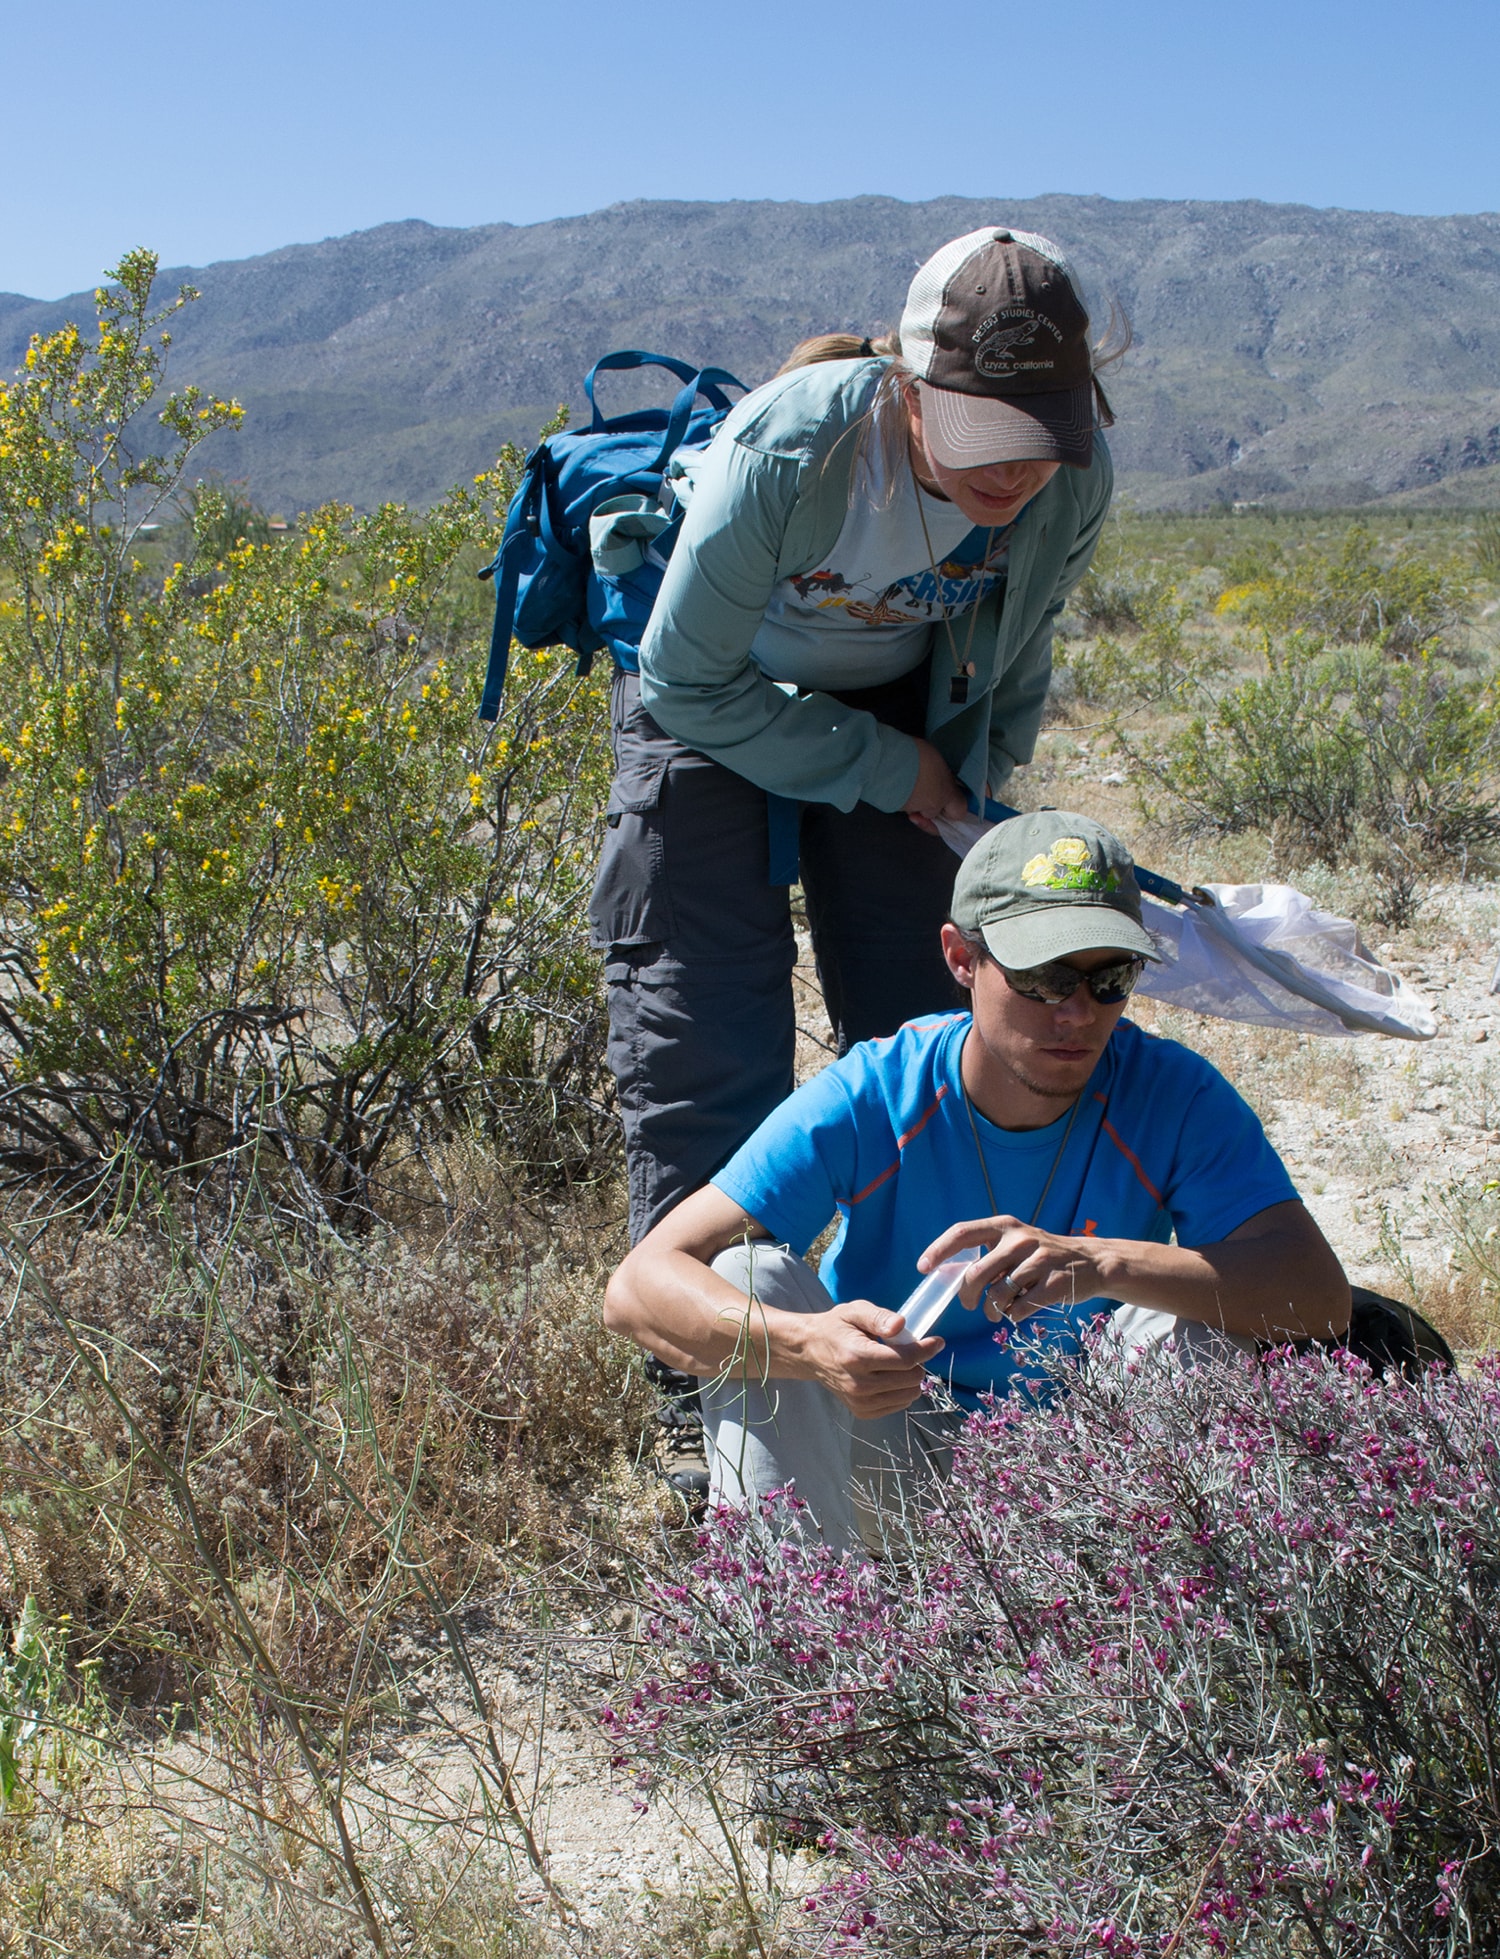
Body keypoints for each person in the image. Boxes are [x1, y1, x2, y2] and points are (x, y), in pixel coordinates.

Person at [591, 226, 1119, 1492]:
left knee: (938, 1009)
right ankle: (706, 1388)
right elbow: (686, 676)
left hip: (904, 715)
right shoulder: (800, 445)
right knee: (702, 1031)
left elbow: (1018, 656)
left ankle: (935, 1337)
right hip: (710, 706)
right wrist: (894, 774)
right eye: (983, 436)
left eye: (1039, 441)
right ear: (910, 388)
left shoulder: (1074, 474)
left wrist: (972, 806)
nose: (1014, 475)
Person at [603, 811, 1352, 1551]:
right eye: (1044, 975)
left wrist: (1103, 1263)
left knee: (1189, 1322)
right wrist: (811, 1345)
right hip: (888, 1451)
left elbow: (1319, 1295)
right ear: (962, 958)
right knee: (750, 1274)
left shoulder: (1174, 1094)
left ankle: (1163, 1620)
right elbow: (637, 1288)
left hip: (1089, 1470)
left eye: (1110, 978)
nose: (1077, 1013)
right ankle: (794, 1638)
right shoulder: (879, 1091)